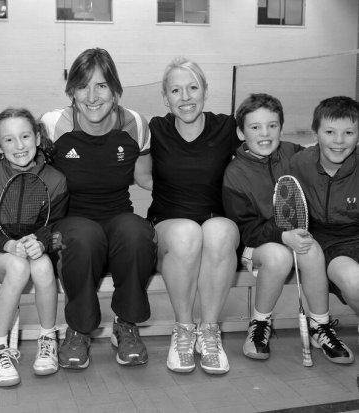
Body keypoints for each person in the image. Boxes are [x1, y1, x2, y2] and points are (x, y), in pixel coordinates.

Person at [41, 47, 156, 369]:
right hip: (71, 219)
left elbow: (144, 177)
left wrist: (200, 192)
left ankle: (126, 325)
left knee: (136, 232)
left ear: (115, 90)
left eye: (101, 85)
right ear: (72, 92)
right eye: (82, 86)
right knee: (85, 238)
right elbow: (35, 179)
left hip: (117, 212)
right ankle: (79, 329)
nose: (92, 96)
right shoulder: (52, 125)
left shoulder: (135, 123)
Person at [222, 93, 353, 363]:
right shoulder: (234, 173)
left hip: (296, 236)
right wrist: (281, 235)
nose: (265, 133)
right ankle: (259, 324)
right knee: (279, 256)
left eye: (272, 125)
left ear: (281, 127)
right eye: (255, 127)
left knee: (312, 248)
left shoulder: (295, 154)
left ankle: (320, 326)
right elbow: (247, 229)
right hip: (256, 245)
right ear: (240, 131)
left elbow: (328, 149)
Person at [147, 57, 241, 375]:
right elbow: (138, 174)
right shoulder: (156, 129)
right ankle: (185, 330)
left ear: (205, 91)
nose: (185, 97)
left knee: (221, 232)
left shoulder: (226, 127)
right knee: (189, 232)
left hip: (214, 219)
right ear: (165, 97)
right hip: (169, 226)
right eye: (176, 90)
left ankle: (209, 332)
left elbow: (262, 149)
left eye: (192, 88)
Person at [0, 107, 68, 387]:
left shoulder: (56, 180)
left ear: (37, 137)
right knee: (17, 265)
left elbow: (57, 225)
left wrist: (41, 241)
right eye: (9, 140)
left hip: (34, 250)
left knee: (43, 266)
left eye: (25, 136)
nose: (19, 145)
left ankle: (48, 338)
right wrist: (7, 245)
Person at [289, 96, 359, 349]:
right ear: (316, 133)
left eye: (349, 132)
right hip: (327, 244)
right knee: (353, 279)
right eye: (329, 132)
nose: (338, 141)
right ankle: (320, 326)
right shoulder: (299, 163)